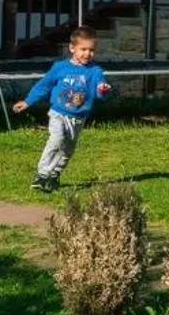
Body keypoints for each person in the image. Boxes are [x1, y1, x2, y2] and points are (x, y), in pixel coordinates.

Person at [12, 27, 112, 193]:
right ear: (72, 48)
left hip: (78, 118)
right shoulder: (60, 67)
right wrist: (28, 101)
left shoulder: (95, 71)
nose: (87, 54)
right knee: (56, 140)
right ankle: (42, 175)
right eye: (83, 49)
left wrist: (102, 89)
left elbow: (98, 91)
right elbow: (44, 85)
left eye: (91, 50)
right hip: (58, 113)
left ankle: (54, 175)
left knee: (68, 150)